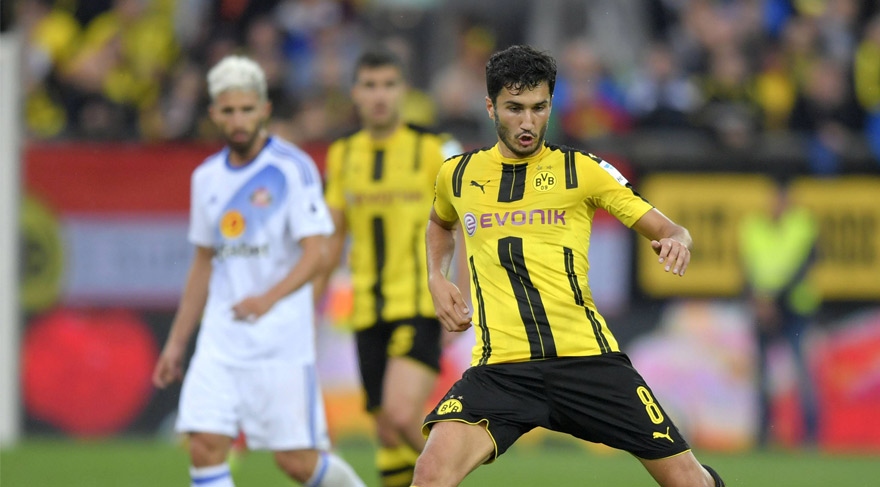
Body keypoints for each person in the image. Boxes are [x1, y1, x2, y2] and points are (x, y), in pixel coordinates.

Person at [414, 45, 726, 487]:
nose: (528, 122)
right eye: (515, 108)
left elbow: (669, 229)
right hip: (501, 370)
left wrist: (677, 241)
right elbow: (439, 224)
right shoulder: (458, 175)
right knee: (429, 474)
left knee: (689, 483)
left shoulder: (583, 170)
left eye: (539, 107)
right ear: (490, 107)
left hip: (586, 363)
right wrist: (436, 277)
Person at [152, 55, 365, 487]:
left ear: (264, 109)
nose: (238, 120)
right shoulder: (206, 178)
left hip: (280, 340)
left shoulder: (292, 168)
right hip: (221, 338)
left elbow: (318, 252)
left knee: (297, 463)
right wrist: (176, 342)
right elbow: (203, 261)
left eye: (247, 109)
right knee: (204, 446)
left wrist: (268, 299)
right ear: (214, 114)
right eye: (229, 110)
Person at [318, 48, 462, 487]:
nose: (379, 95)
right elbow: (333, 238)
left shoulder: (434, 148)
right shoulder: (343, 153)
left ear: (403, 90)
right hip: (366, 308)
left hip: (419, 302)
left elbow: (463, 227)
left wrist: (462, 296)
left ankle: (452, 474)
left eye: (388, 85)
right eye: (370, 85)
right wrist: (310, 305)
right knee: (386, 431)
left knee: (401, 415)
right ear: (355, 93)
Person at [739, 182, 821, 447]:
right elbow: (747, 266)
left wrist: (771, 300)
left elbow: (803, 266)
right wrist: (758, 301)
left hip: (794, 307)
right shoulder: (754, 225)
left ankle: (810, 435)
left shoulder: (803, 224)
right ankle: (765, 433)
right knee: (763, 373)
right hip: (763, 309)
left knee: (801, 371)